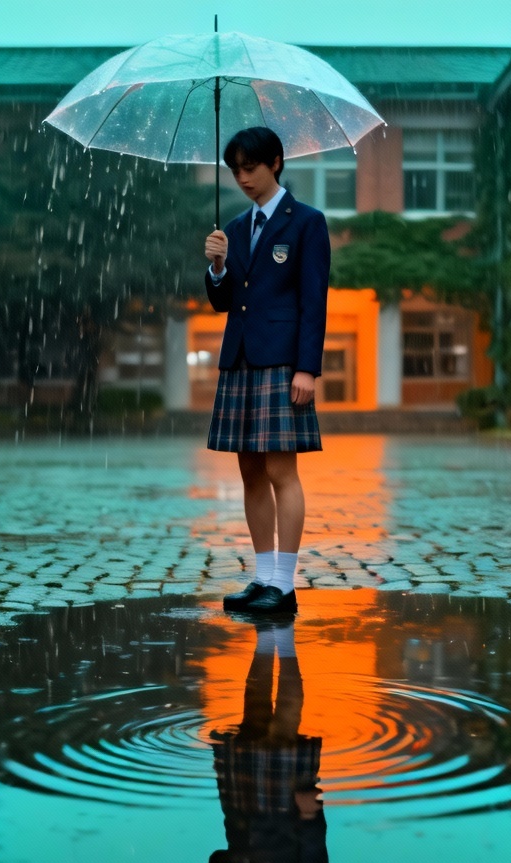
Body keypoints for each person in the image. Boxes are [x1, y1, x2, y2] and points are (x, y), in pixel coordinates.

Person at [203, 126, 331, 616]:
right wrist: (216, 268)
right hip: (238, 361)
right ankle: (262, 580)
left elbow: (312, 301)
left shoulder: (307, 223)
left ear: (275, 161)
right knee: (249, 471)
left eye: (250, 168)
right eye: (234, 170)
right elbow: (224, 301)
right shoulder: (233, 230)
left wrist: (307, 369)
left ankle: (284, 584)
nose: (241, 178)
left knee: (282, 470)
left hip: (282, 363)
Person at [206, 620, 329, 863]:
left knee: (253, 712)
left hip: (241, 806)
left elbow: (222, 857)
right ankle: (287, 642)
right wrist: (311, 818)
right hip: (285, 812)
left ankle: (264, 637)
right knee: (284, 726)